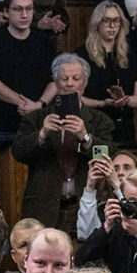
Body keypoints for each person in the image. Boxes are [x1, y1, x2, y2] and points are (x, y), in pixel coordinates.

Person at [12, 53, 115, 233]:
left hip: (85, 203)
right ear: (55, 83)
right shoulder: (36, 118)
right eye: (64, 78)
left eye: (76, 78)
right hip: (44, 206)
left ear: (85, 83)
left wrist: (85, 136)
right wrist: (42, 134)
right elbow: (18, 152)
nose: (69, 83)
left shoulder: (100, 120)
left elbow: (108, 155)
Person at [0, 0, 58, 156]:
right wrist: (22, 104)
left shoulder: (45, 42)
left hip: (39, 125)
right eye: (18, 9)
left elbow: (56, 79)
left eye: (29, 9)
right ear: (6, 12)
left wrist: (38, 105)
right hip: (2, 126)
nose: (24, 14)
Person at [79, 0, 137, 145]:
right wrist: (102, 103)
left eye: (116, 21)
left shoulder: (127, 54)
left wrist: (125, 99)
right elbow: (75, 98)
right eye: (106, 21)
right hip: (94, 126)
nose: (112, 25)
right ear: (97, 23)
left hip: (124, 126)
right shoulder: (83, 55)